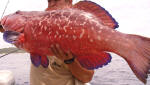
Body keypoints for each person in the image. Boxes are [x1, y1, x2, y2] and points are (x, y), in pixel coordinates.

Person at [30, 0, 94, 85]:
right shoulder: (38, 26)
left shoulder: (80, 32)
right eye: (49, 1)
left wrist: (69, 60)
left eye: (56, 0)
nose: (51, 4)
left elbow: (87, 77)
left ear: (69, 3)